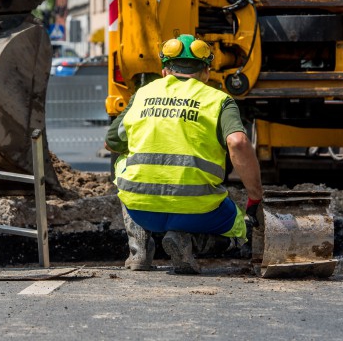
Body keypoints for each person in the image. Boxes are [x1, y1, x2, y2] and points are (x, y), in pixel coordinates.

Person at [106, 35, 265, 275]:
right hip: (200, 211)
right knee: (239, 233)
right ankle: (188, 242)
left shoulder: (142, 94)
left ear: (164, 71)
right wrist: (255, 196)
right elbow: (238, 141)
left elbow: (111, 143)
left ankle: (138, 249)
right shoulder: (219, 100)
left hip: (142, 210)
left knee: (121, 164)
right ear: (206, 73)